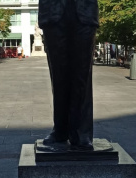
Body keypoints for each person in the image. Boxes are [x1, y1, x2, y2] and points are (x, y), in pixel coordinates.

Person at [39, 0, 99, 151]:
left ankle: (81, 132)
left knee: (82, 76)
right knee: (58, 75)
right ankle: (60, 130)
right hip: (53, 12)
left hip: (84, 11)